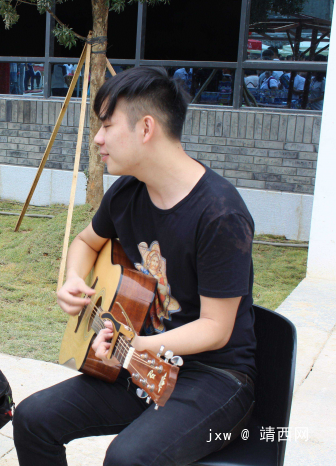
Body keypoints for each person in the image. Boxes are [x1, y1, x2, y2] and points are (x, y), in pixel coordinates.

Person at [13, 67, 256, 466]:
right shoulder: (128, 192)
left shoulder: (220, 215)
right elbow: (85, 243)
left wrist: (140, 345)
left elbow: (216, 328)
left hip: (215, 378)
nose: (97, 139)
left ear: (146, 128)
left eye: (107, 125)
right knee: (32, 418)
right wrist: (75, 280)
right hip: (140, 360)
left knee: (127, 458)